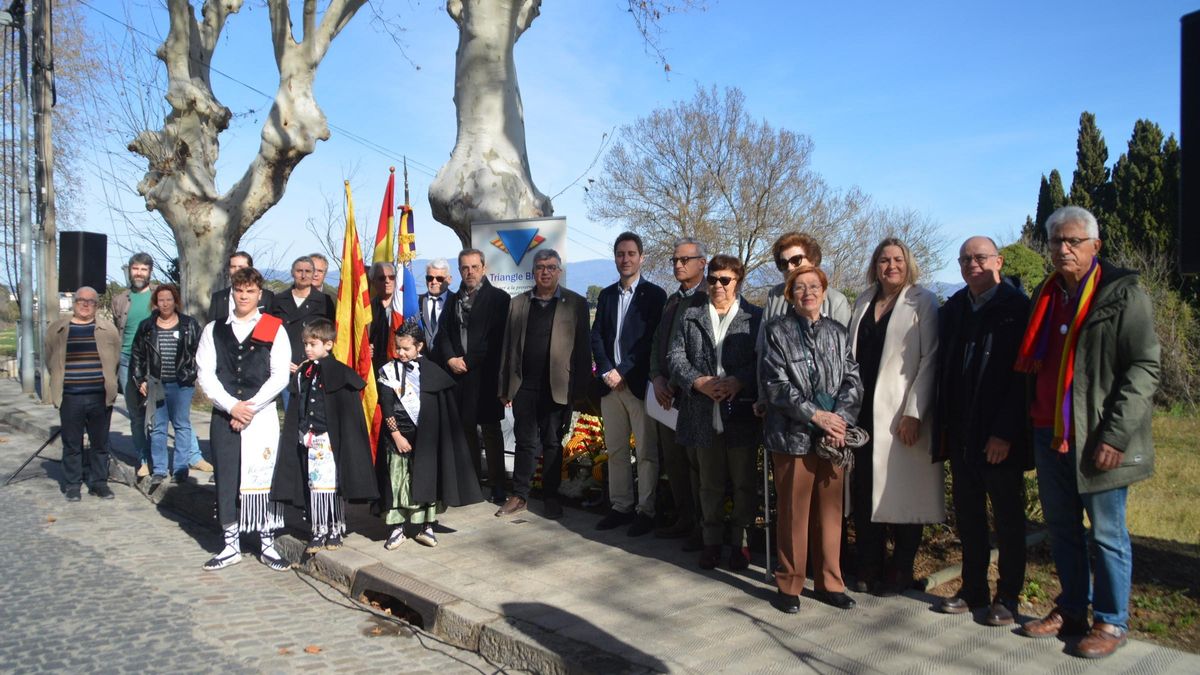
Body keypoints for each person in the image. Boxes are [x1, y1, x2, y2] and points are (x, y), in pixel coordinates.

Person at [1017, 206, 1160, 659]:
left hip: (1097, 436)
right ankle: (1073, 608)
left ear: (1095, 246)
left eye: (1073, 241)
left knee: (1107, 534)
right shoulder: (1047, 294)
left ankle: (1113, 622)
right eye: (1056, 241)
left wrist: (1115, 436)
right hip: (1048, 431)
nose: (1063, 249)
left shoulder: (1123, 295)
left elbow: (1144, 367)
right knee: (1062, 529)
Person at [933, 236, 1031, 626]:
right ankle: (974, 588)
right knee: (969, 516)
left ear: (999, 262)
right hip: (961, 432)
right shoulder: (956, 307)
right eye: (965, 259)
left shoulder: (1017, 309)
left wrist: (1005, 432)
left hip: (999, 436)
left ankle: (1008, 596)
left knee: (1008, 520)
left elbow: (1022, 378)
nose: (972, 264)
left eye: (980, 257)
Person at [761, 265, 863, 613]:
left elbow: (852, 379)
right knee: (793, 512)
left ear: (824, 291)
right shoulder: (777, 331)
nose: (808, 292)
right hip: (792, 436)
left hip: (833, 439)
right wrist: (815, 415)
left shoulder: (838, 331)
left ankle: (830, 583)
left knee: (830, 514)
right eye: (800, 287)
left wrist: (840, 422)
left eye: (814, 286)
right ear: (790, 294)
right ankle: (789, 584)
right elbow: (776, 386)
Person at [846, 237, 941, 596]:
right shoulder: (864, 301)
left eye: (897, 260)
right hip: (863, 412)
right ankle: (869, 565)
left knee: (903, 494)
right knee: (865, 489)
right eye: (884, 260)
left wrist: (914, 412)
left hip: (900, 415)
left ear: (908, 263)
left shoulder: (923, 301)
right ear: (875, 265)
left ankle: (900, 569)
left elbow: (931, 358)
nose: (891, 266)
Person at [667, 254, 762, 570]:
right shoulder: (691, 315)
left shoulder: (755, 317)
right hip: (702, 411)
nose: (718, 285)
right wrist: (698, 382)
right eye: (713, 279)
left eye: (725, 279)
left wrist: (739, 380)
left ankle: (740, 544)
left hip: (741, 415)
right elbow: (676, 357)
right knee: (709, 485)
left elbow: (762, 362)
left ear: (738, 281)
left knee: (744, 483)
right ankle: (711, 542)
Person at [195, 266, 292, 571]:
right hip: (225, 415)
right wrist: (231, 407)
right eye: (240, 290)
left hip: (260, 415)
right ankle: (231, 544)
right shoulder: (214, 329)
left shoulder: (273, 327)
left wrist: (248, 407)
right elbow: (205, 374)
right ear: (232, 293)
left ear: (259, 294)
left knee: (263, 476)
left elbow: (279, 375)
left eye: (251, 291)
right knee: (226, 476)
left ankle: (267, 542)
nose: (244, 296)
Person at [496, 249, 591, 520]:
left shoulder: (575, 303)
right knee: (525, 443)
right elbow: (507, 348)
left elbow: (583, 350)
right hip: (525, 386)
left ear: (559, 271)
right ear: (533, 272)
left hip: (558, 387)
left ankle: (551, 497)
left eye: (551, 267)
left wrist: (580, 392)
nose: (545, 272)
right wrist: (504, 387)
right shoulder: (518, 304)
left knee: (552, 443)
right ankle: (520, 496)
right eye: (540, 267)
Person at [270, 318, 379, 552]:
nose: (307, 349)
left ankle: (335, 528)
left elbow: (346, 410)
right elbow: (299, 405)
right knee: (316, 485)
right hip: (309, 437)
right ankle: (319, 529)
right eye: (306, 344)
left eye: (313, 344)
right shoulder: (304, 373)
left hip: (330, 439)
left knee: (331, 484)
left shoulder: (339, 372)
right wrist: (301, 429)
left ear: (328, 344)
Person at [377, 320, 483, 549]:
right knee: (398, 483)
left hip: (425, 440)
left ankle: (426, 524)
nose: (401, 353)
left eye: (406, 348)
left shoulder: (434, 373)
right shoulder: (388, 372)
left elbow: (440, 411)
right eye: (398, 348)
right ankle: (397, 527)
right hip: (398, 439)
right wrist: (396, 435)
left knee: (427, 479)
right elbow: (386, 405)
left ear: (419, 347)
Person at [590, 231, 667, 536]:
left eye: (631, 254)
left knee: (647, 452)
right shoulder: (607, 295)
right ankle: (620, 506)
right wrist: (607, 370)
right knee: (617, 450)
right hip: (610, 388)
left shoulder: (655, 296)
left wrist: (623, 370)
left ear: (641, 258)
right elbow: (596, 336)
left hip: (637, 386)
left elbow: (650, 342)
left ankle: (645, 511)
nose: (625, 259)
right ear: (615, 258)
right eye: (620, 254)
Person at [433, 249, 511, 504]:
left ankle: (498, 484)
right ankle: (472, 483)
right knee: (466, 432)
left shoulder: (499, 299)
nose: (470, 272)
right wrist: (450, 359)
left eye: (474, 267)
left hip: (485, 376)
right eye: (465, 268)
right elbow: (443, 333)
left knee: (490, 431)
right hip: (459, 377)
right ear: (459, 271)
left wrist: (468, 361)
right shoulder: (453, 300)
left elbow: (495, 339)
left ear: (484, 268)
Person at [646, 237, 707, 546]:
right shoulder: (673, 299)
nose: (678, 265)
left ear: (702, 263)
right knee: (675, 462)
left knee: (697, 465)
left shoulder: (710, 298)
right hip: (665, 397)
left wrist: (675, 382)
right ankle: (684, 518)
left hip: (693, 396)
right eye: (674, 260)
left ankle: (703, 526)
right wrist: (657, 377)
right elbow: (659, 341)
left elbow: (701, 351)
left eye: (684, 260)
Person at [45, 286, 121, 501]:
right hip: (70, 396)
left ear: (96, 305)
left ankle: (99, 483)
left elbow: (114, 359)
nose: (86, 304)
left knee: (100, 443)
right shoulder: (57, 330)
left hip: (99, 396)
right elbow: (50, 359)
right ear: (74, 303)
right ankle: (72, 485)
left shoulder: (108, 330)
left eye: (91, 301)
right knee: (72, 444)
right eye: (81, 301)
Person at [130, 283, 204, 488]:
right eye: (161, 299)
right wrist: (140, 380)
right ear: (155, 302)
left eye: (169, 299)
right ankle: (160, 470)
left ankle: (180, 468)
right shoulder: (147, 326)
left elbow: (201, 351)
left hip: (182, 384)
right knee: (158, 428)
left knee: (181, 425)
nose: (165, 303)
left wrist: (192, 374)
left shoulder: (189, 324)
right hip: (156, 384)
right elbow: (137, 355)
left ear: (176, 301)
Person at [269, 255, 335, 409]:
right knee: (291, 416)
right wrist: (282, 361)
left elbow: (331, 336)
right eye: (299, 271)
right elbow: (268, 335)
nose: (303, 275)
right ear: (292, 272)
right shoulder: (278, 300)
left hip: (314, 367)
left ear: (313, 274)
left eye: (308, 271)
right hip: (286, 368)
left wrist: (313, 359)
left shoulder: (325, 301)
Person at [112, 252, 156, 477]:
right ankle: (143, 459)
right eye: (135, 269)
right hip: (127, 360)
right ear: (130, 270)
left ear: (150, 272)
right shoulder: (120, 299)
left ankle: (162, 460)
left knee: (159, 413)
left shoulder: (160, 296)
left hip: (154, 361)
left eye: (143, 269)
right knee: (136, 413)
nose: (139, 273)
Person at [208, 251, 275, 324]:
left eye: (241, 267)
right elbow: (212, 324)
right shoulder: (218, 297)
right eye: (233, 267)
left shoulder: (267, 297)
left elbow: (271, 324)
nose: (236, 270)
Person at [368, 262, 398, 373]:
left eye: (392, 277)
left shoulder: (403, 307)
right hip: (374, 367)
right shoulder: (367, 309)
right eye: (381, 278)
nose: (387, 281)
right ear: (373, 282)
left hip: (399, 365)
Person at [419, 259, 455, 347]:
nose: (434, 282)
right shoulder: (418, 301)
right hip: (423, 358)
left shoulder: (457, 301)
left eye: (439, 279)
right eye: (430, 278)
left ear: (449, 280)